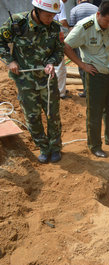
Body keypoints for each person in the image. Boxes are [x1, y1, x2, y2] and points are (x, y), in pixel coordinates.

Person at [0, 0, 64, 163]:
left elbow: (59, 50)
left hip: (47, 80)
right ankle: (43, 147)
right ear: (37, 10)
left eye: (53, 16)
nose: (51, 19)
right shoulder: (17, 23)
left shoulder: (55, 28)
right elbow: (0, 41)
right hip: (25, 81)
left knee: (53, 115)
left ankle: (55, 148)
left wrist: (51, 62)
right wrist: (10, 61)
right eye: (48, 15)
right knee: (32, 117)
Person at [64, 1, 109, 158]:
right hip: (94, 75)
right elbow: (66, 45)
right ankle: (94, 145)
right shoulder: (84, 27)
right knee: (95, 112)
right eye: (106, 21)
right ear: (98, 14)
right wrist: (82, 65)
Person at [69, 0, 98, 97]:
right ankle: (95, 89)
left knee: (82, 65)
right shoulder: (96, 8)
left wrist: (72, 45)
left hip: (80, 42)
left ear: (78, 1)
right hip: (94, 41)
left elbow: (72, 30)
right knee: (94, 64)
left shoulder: (74, 10)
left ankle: (87, 91)